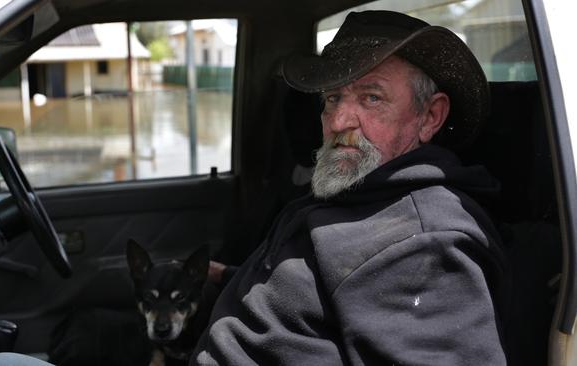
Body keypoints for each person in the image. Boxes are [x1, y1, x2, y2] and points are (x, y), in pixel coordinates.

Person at [191, 10, 510, 365]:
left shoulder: (424, 247)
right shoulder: (360, 189)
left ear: (430, 117)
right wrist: (229, 278)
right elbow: (317, 290)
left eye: (371, 97)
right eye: (332, 98)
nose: (339, 121)